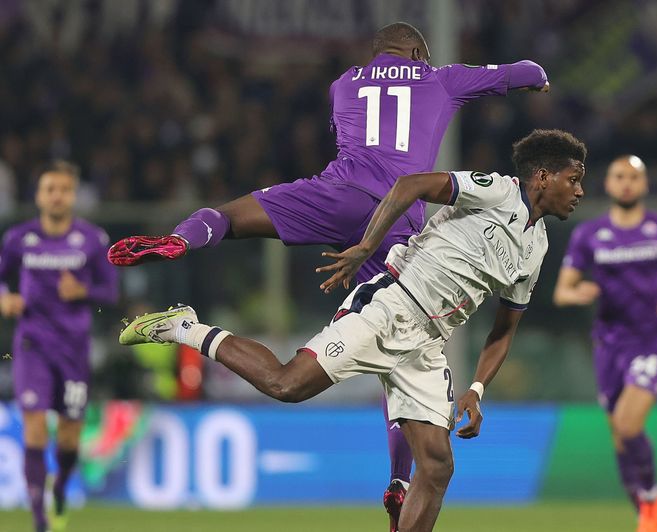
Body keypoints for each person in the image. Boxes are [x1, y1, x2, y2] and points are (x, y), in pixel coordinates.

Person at [106, 22, 548, 528]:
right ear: (419, 51)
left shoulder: (343, 83)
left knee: (230, 216)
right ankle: (400, 480)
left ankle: (182, 239)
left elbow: (350, 136)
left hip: (338, 195)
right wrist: (535, 79)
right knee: (399, 334)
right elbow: (524, 72)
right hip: (395, 220)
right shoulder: (439, 78)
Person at [552, 155, 657, 532]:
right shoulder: (589, 234)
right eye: (619, 176)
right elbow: (561, 292)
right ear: (608, 184)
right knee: (619, 438)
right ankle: (642, 511)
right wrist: (580, 292)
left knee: (628, 423)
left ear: (644, 185)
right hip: (609, 341)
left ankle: (652, 495)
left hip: (652, 338)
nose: (626, 183)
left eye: (633, 177)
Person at [0, 161, 119, 532]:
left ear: (73, 195)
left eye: (64, 189)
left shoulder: (92, 239)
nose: (56, 196)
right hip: (32, 344)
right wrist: (5, 298)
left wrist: (82, 291)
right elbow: (2, 279)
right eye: (49, 188)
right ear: (38, 195)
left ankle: (62, 486)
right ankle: (39, 522)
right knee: (35, 427)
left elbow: (111, 292)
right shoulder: (19, 238)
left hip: (73, 350)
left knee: (68, 435)